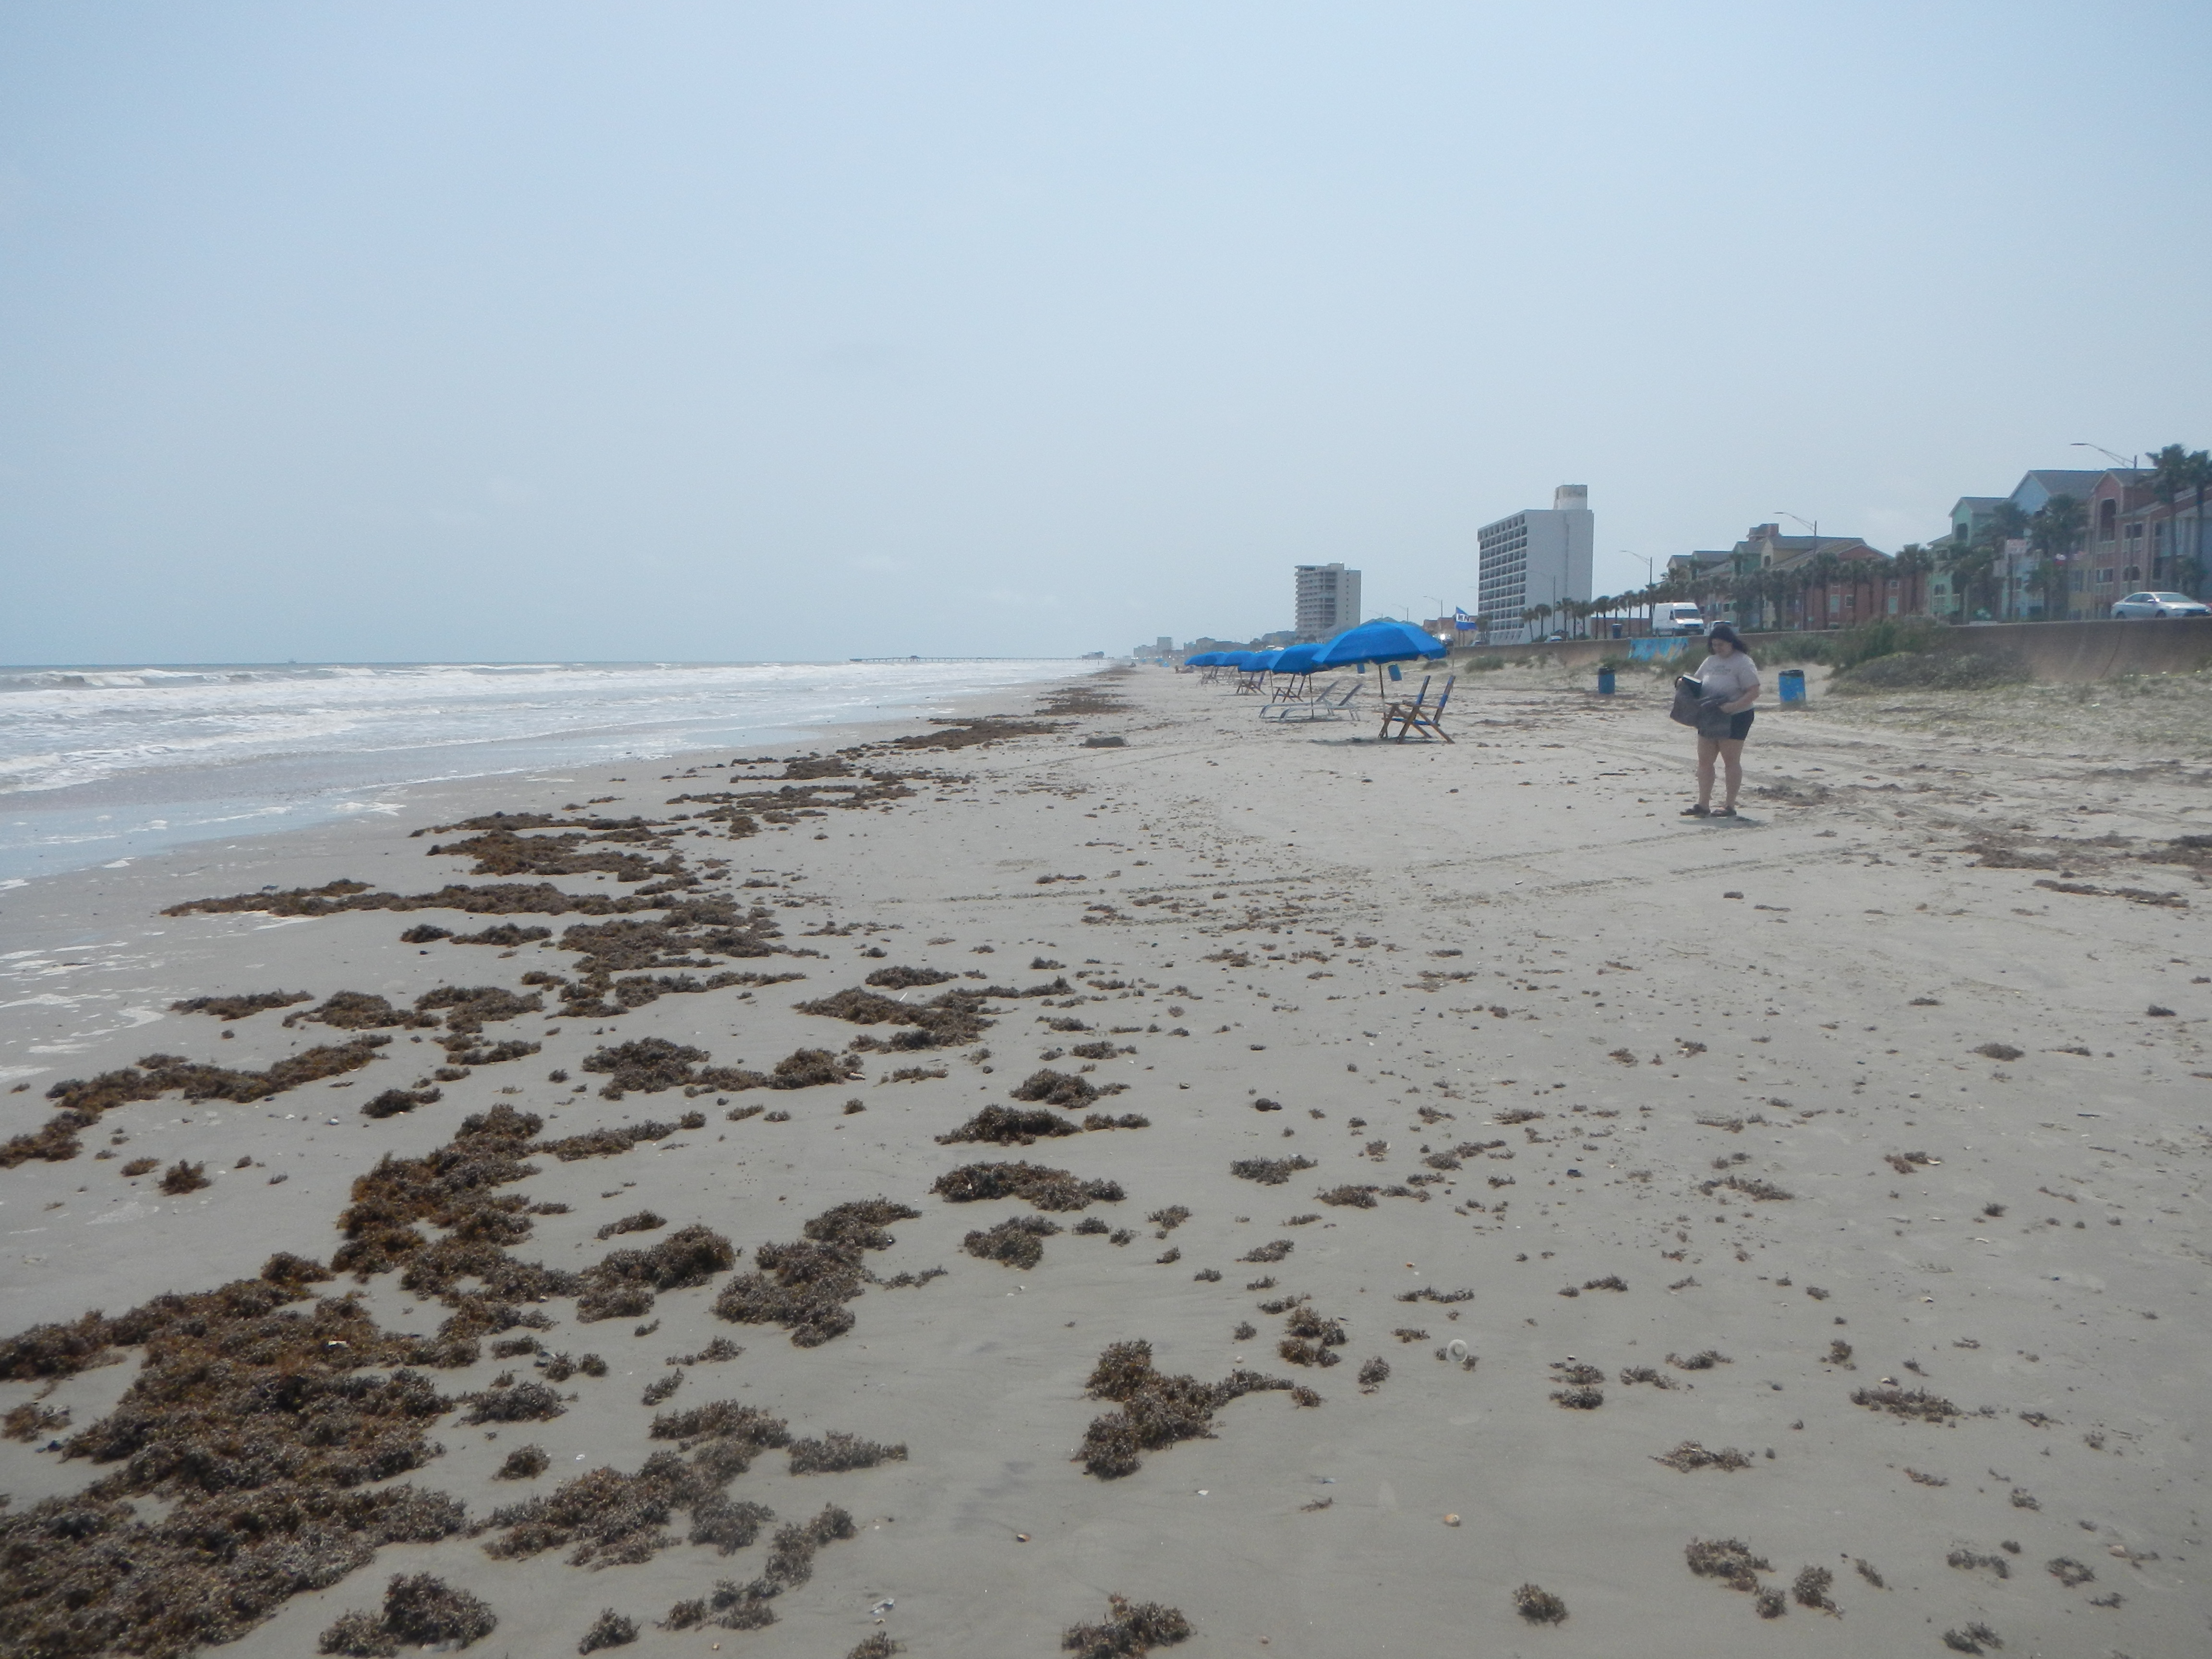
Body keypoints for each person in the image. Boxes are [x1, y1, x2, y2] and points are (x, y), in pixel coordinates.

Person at [1681, 622, 1759, 818]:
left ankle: (1729, 805)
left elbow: (1754, 691)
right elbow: (1698, 683)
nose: (1718, 648)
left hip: (1736, 716)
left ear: (1731, 643)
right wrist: (1683, 683)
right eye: (1714, 645)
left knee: (1731, 761)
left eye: (1721, 645)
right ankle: (1703, 804)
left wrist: (1733, 707)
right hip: (1710, 715)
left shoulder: (1743, 662)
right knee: (1704, 761)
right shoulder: (1710, 662)